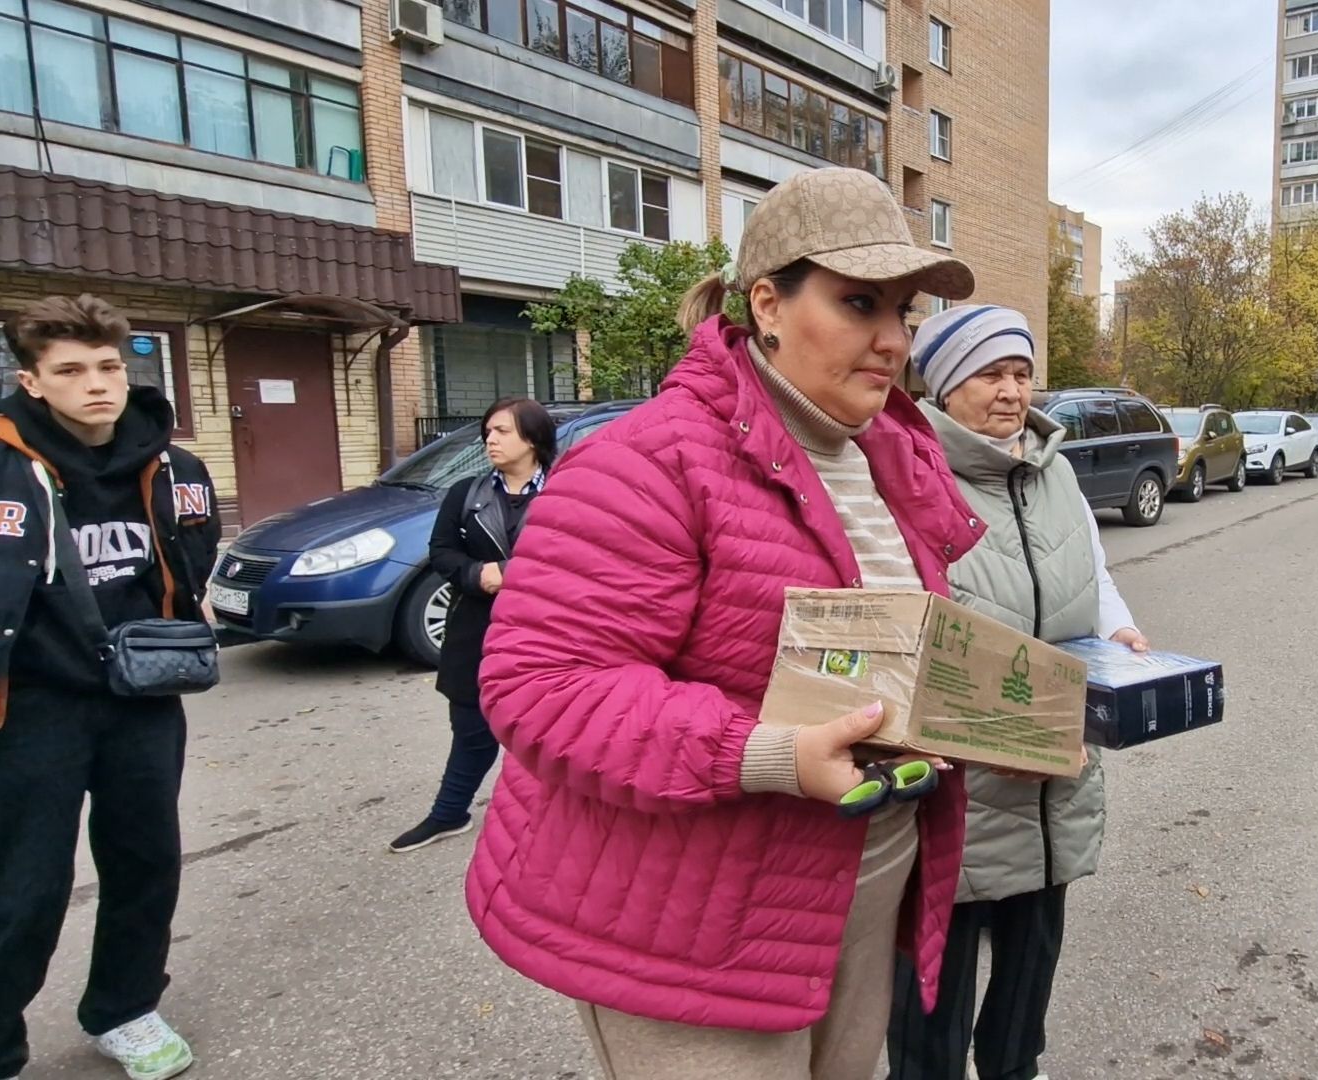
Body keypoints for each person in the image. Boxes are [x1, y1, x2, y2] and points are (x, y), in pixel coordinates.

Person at [466, 167, 982, 1080]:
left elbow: (892, 652)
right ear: (767, 305)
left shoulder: (893, 458)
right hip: (693, 920)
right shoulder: (650, 460)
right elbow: (540, 687)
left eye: (906, 313)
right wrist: (771, 754)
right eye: (861, 302)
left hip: (863, 881)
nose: (894, 340)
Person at [888, 304, 1148, 1080]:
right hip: (960, 785)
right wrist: (1007, 733)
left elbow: (1091, 573)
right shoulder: (907, 473)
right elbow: (909, 629)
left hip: (1054, 771)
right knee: (934, 989)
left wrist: (1123, 632)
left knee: (1030, 974)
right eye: (988, 375)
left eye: (1021, 373)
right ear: (941, 384)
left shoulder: (1054, 468)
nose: (1010, 392)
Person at [0, 295, 219, 1080]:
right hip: (33, 705)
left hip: (143, 699)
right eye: (70, 371)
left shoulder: (174, 464)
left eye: (107, 367)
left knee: (146, 860)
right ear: (31, 380)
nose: (96, 385)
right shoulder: (5, 466)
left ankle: (125, 1009)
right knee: (25, 884)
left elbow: (196, 558)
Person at [389, 397, 556, 853]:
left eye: (502, 431)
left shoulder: (567, 490)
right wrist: (474, 574)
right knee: (471, 727)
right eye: (488, 431)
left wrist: (522, 575)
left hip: (548, 632)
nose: (490, 439)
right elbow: (441, 550)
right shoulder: (468, 492)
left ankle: (552, 825)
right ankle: (448, 813)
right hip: (476, 629)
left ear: (533, 438)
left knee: (550, 732)